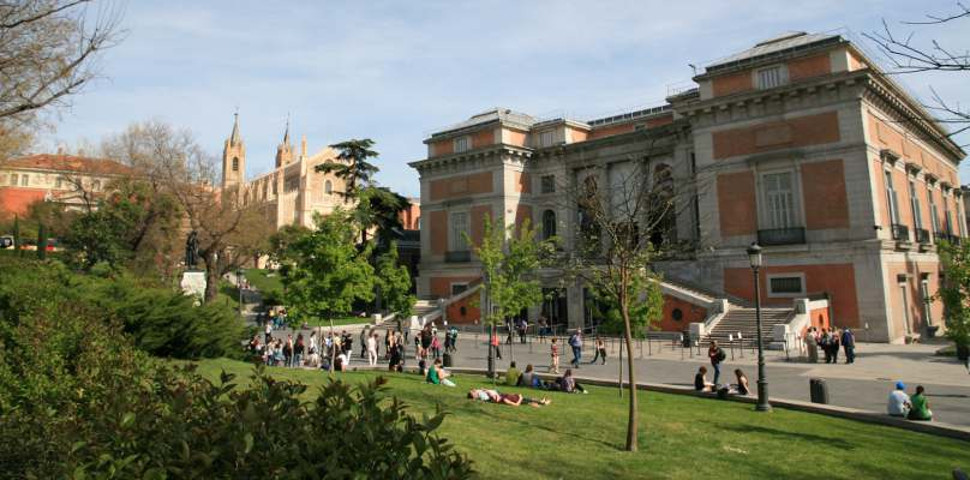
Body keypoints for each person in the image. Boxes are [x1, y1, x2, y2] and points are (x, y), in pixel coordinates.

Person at [467, 388, 551, 407]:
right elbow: (516, 405)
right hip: (517, 400)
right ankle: (543, 403)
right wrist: (520, 398)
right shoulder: (504, 399)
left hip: (514, 397)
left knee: (529, 399)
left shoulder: (501, 396)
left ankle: (541, 401)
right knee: (528, 401)